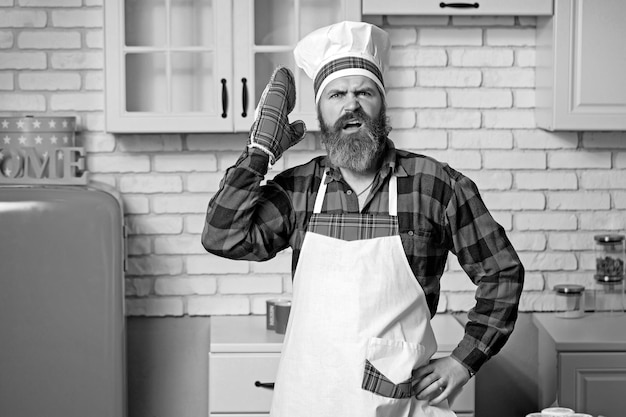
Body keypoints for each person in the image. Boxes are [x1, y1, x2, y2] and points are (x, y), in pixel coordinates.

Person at [202, 21, 524, 417]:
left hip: (398, 404)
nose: (351, 105)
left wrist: (463, 361)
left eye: (364, 92)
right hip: (307, 400)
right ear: (321, 111)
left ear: (381, 104)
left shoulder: (436, 185)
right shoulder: (300, 188)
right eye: (337, 94)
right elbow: (222, 237)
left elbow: (502, 272)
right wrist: (258, 155)